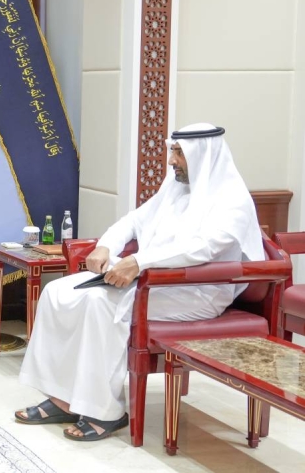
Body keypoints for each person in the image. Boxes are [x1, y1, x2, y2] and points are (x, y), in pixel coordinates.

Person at [15, 123, 264, 441]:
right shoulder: (176, 188)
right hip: (152, 280)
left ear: (204, 155)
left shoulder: (232, 199)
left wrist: (139, 262)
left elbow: (203, 248)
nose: (171, 161)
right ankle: (61, 398)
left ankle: (105, 412)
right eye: (172, 151)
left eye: (179, 153)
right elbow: (134, 221)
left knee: (100, 302)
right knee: (56, 291)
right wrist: (105, 246)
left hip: (196, 291)